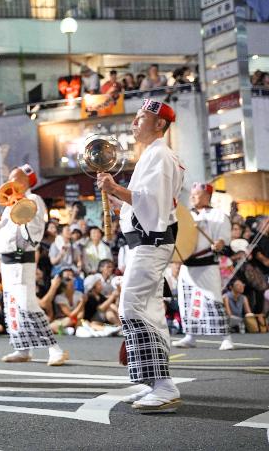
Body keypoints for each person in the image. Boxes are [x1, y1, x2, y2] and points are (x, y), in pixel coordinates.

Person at [97, 98, 184, 413]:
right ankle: (155, 382)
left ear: (159, 124)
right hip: (145, 241)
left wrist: (115, 188)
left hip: (151, 242)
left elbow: (153, 204)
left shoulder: (160, 155)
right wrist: (117, 196)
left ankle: (163, 385)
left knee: (133, 307)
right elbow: (144, 205)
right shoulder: (153, 155)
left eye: (141, 117)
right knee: (148, 310)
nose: (134, 121)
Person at [0, 164, 68, 366]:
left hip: (21, 258)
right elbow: (4, 234)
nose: (9, 182)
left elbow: (33, 231)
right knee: (12, 306)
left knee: (27, 304)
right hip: (7, 261)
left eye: (14, 178)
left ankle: (54, 348)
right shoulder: (10, 203)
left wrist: (19, 211)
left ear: (25, 182)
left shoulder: (33, 199)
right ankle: (22, 348)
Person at [173, 182, 234, 351]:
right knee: (187, 302)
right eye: (191, 194)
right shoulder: (186, 215)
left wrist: (220, 243)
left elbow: (224, 239)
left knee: (214, 300)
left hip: (206, 264)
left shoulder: (218, 216)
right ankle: (190, 336)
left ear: (207, 196)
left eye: (196, 194)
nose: (192, 197)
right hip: (187, 265)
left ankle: (226, 337)